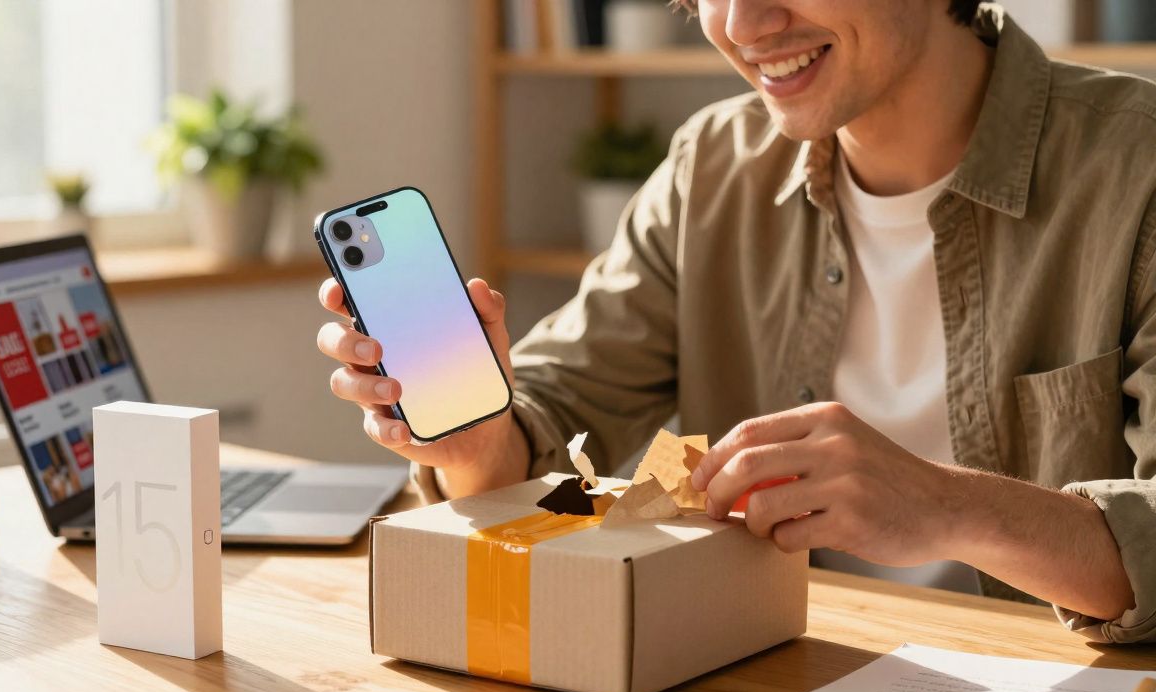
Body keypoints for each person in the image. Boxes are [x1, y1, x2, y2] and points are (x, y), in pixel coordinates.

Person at [316, 0, 1156, 643]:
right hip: (774, 686)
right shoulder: (709, 169)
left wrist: (947, 506)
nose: (740, 23)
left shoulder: (1135, 169)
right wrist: (474, 443)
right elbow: (549, 422)